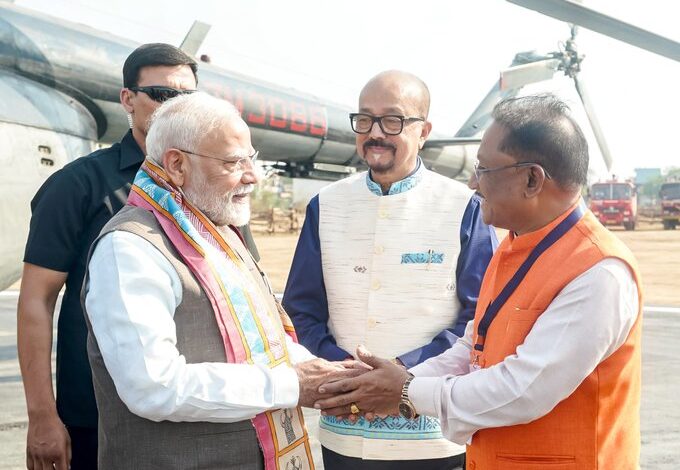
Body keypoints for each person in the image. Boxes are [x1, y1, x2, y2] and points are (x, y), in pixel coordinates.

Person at [315, 94, 643, 470]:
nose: (473, 183)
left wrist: (405, 391)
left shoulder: (599, 272)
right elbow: (474, 347)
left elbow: (524, 389)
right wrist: (398, 381)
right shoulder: (514, 248)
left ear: (532, 179)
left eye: (484, 169)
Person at [82, 92, 362, 469]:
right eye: (234, 162)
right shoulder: (131, 247)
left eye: (252, 158)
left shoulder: (218, 232)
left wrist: (328, 376)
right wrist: (292, 385)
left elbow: (265, 342)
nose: (253, 175)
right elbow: (151, 386)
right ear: (177, 164)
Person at [282, 70, 497, 469]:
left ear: (424, 131)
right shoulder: (325, 205)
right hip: (344, 436)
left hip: (434, 440)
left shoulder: (463, 207)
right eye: (365, 120)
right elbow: (301, 309)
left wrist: (400, 371)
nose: (375, 133)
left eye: (392, 121)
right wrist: (344, 371)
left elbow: (480, 318)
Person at [17, 43, 199, 470]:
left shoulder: (210, 184)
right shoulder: (78, 185)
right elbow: (36, 300)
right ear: (127, 99)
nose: (174, 108)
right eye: (161, 94)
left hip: (198, 411)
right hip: (99, 418)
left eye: (186, 98)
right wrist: (42, 416)